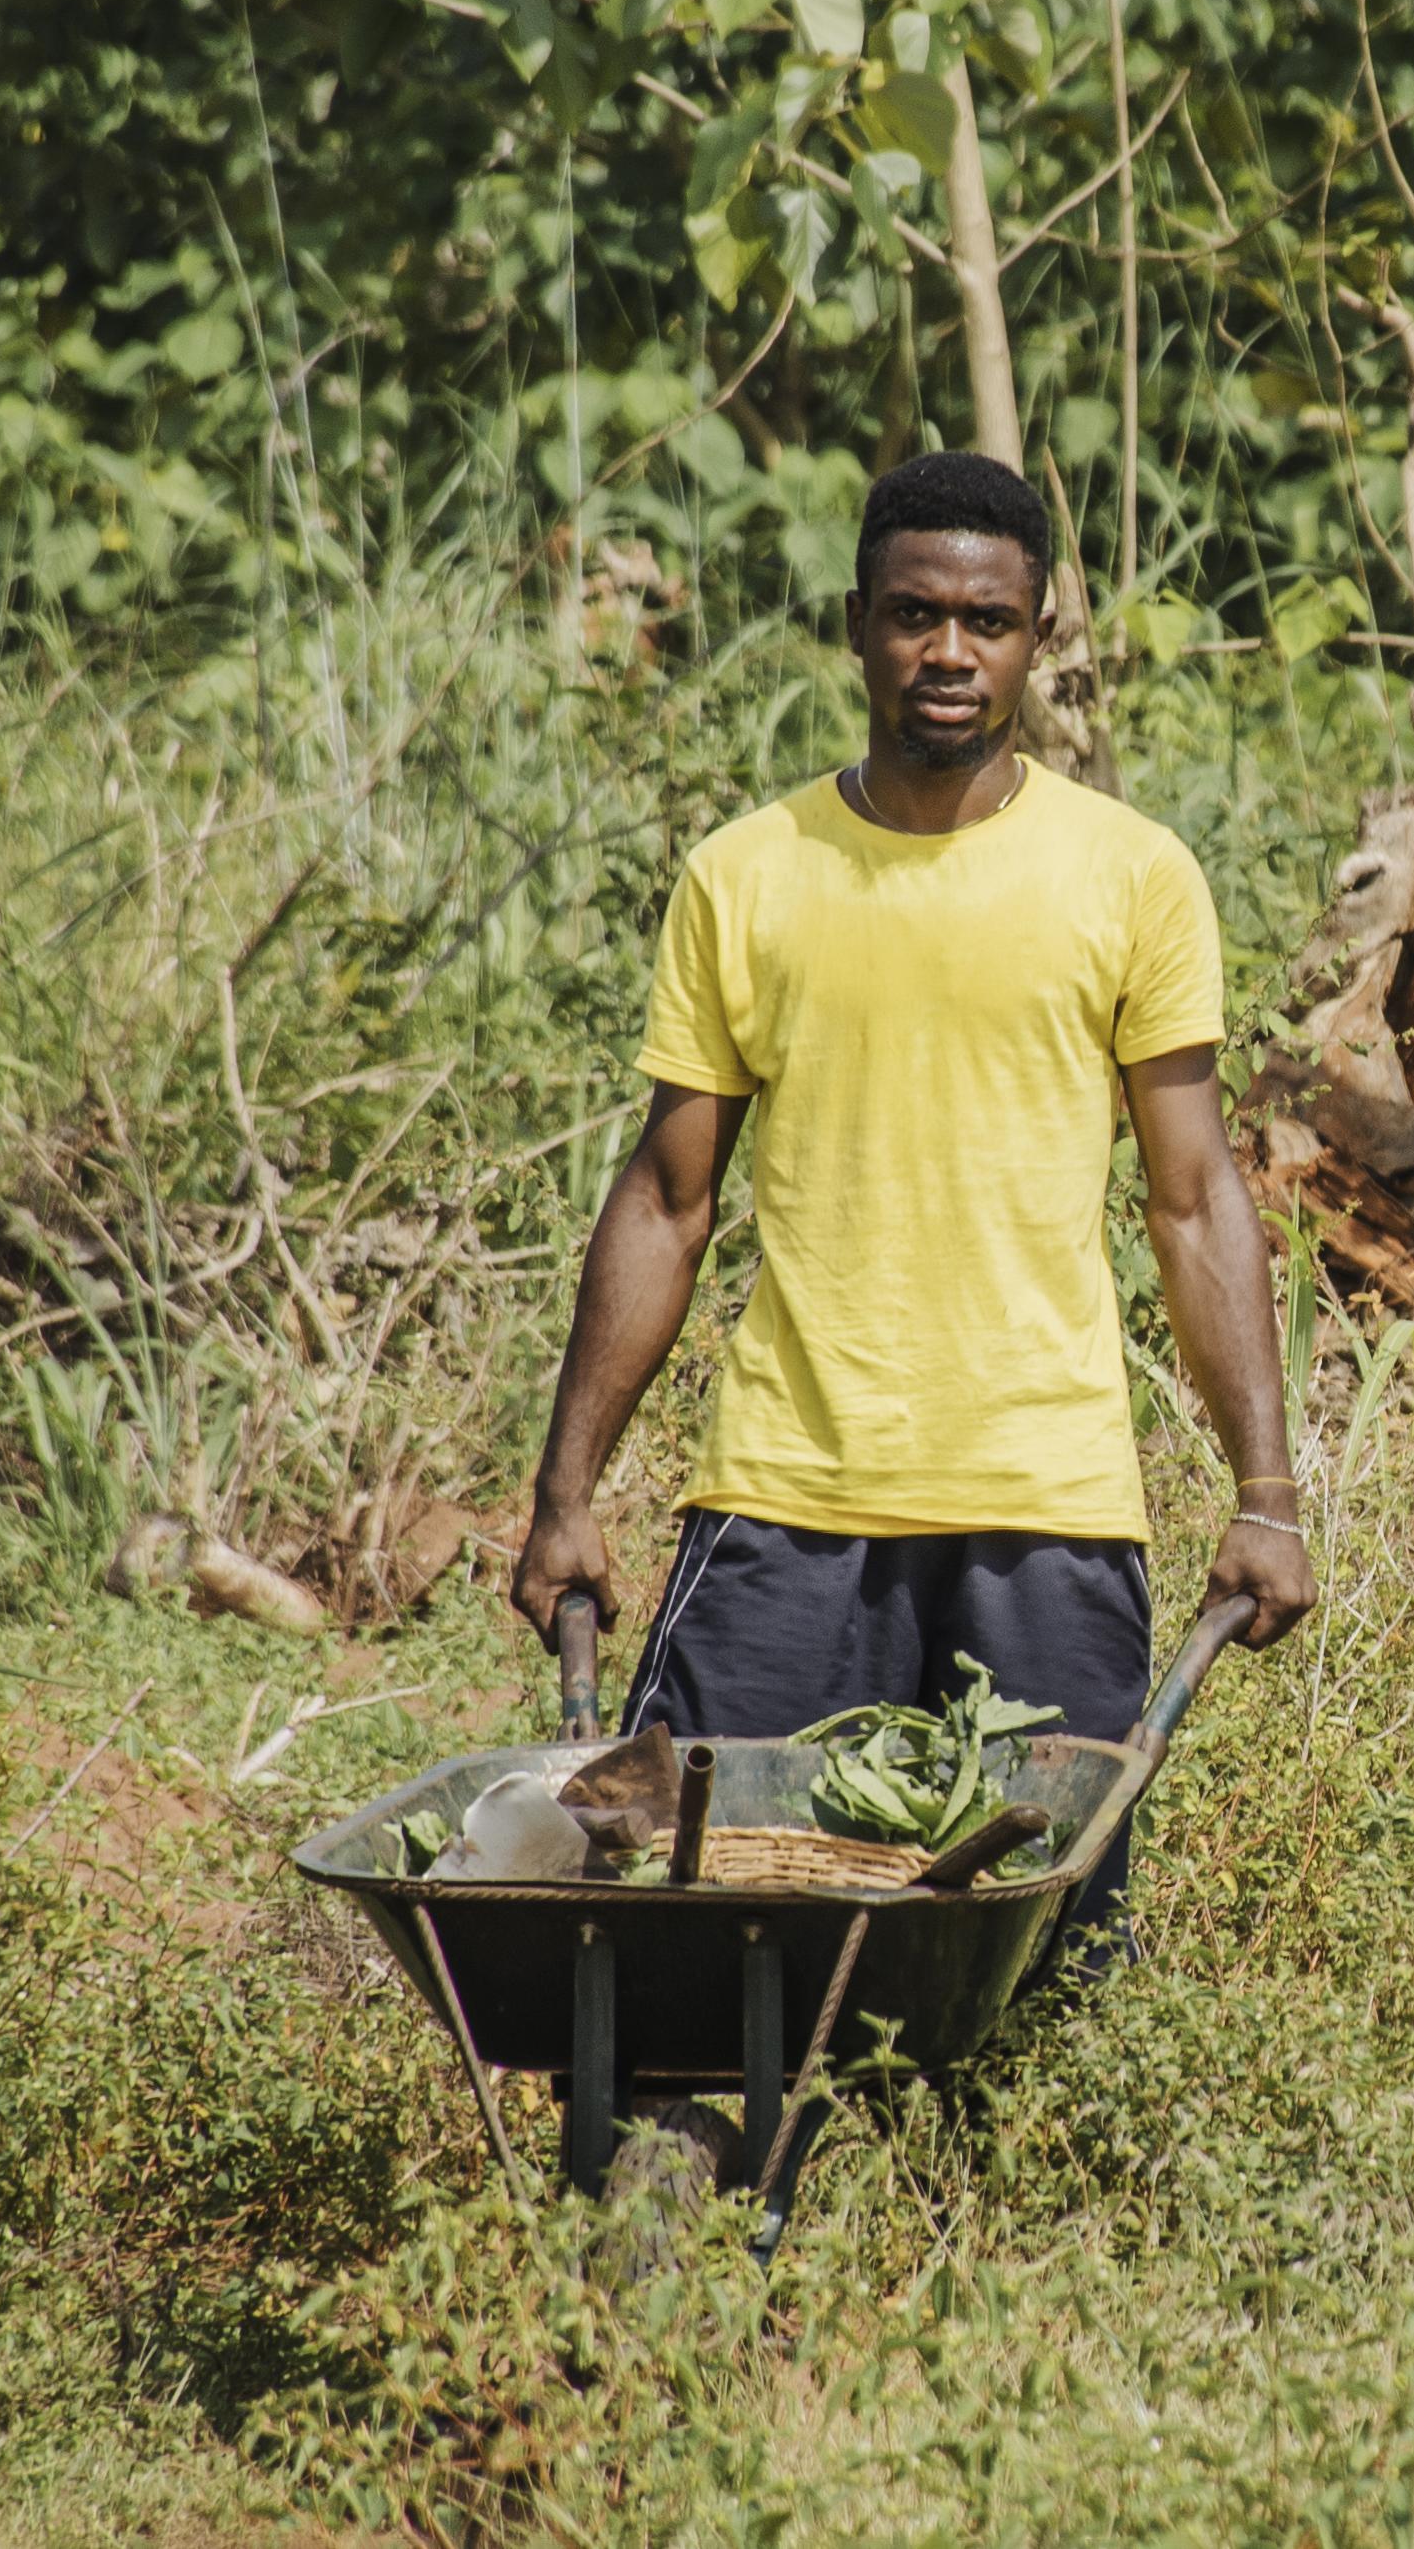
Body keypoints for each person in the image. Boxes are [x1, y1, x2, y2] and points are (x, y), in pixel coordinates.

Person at [508, 450, 1315, 1946]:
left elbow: (1197, 1202)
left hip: (1048, 1512)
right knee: (688, 1914)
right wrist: (566, 1498)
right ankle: (688, 2176)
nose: (950, 652)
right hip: (783, 1505)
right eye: (914, 615)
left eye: (988, 622)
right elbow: (666, 1201)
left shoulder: (1130, 876)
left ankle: (999, 2184)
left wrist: (1267, 1497)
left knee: (1043, 1949)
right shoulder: (747, 877)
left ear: (1040, 635)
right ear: (858, 626)